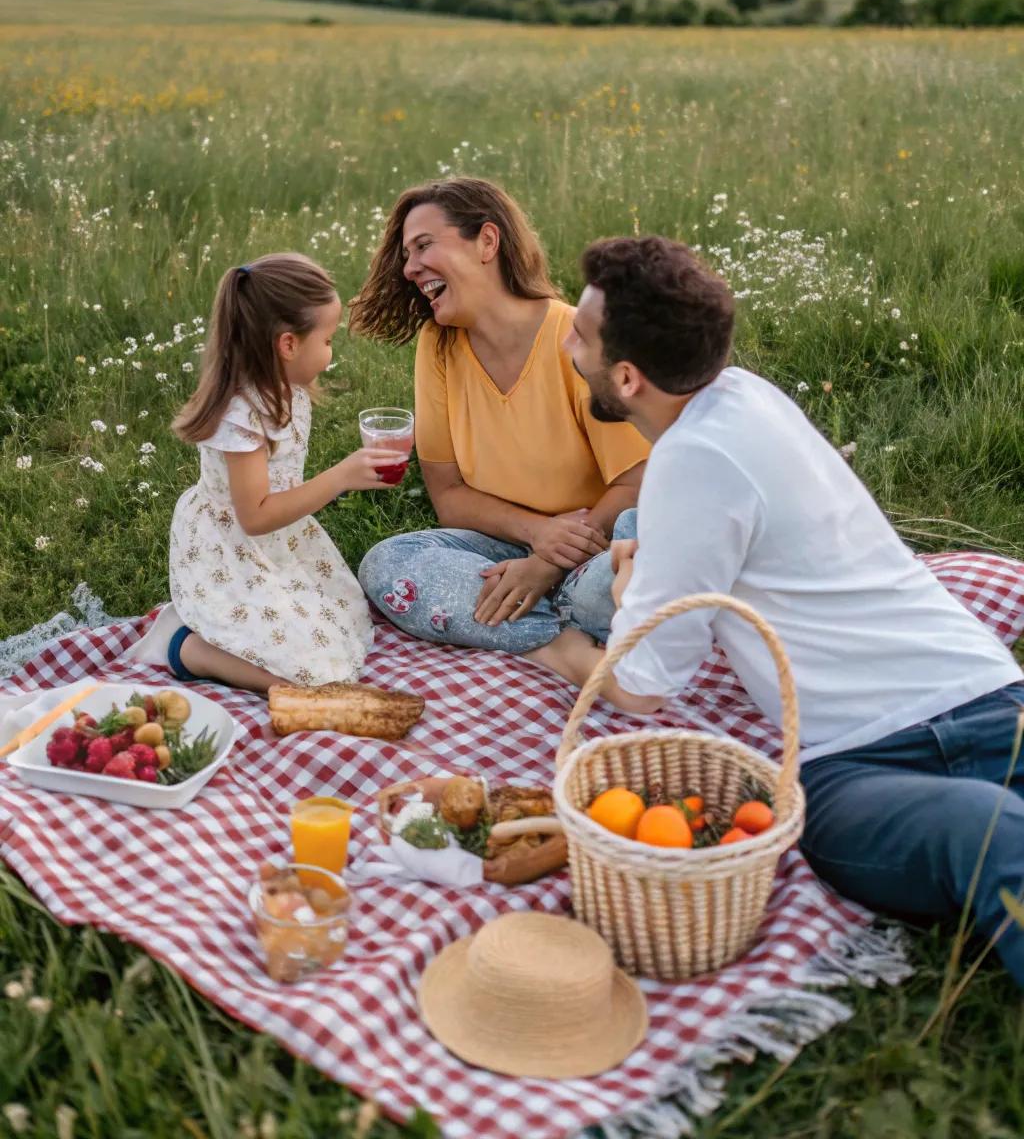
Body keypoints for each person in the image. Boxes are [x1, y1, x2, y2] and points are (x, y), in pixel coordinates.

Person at [542, 232, 1024, 986]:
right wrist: (647, 583)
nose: (566, 334)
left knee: (994, 833)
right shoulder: (747, 396)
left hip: (889, 743)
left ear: (628, 378)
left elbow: (641, 687)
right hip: (954, 712)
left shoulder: (688, 463)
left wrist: (556, 648)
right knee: (987, 828)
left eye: (581, 332)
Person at [349, 178, 648, 654]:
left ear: (487, 241)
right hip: (506, 547)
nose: (409, 269)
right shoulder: (438, 346)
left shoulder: (574, 335)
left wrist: (549, 563)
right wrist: (538, 536)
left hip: (598, 545)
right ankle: (566, 643)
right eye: (406, 255)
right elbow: (448, 495)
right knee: (387, 563)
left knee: (628, 566)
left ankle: (548, 616)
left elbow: (636, 483)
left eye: (424, 246)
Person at [166, 253, 406, 693]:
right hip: (231, 550)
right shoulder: (241, 414)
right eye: (329, 339)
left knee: (343, 629)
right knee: (311, 671)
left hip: (281, 542)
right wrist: (340, 477)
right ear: (288, 344)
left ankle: (250, 644)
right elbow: (254, 517)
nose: (331, 353)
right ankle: (189, 647)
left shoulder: (286, 389)